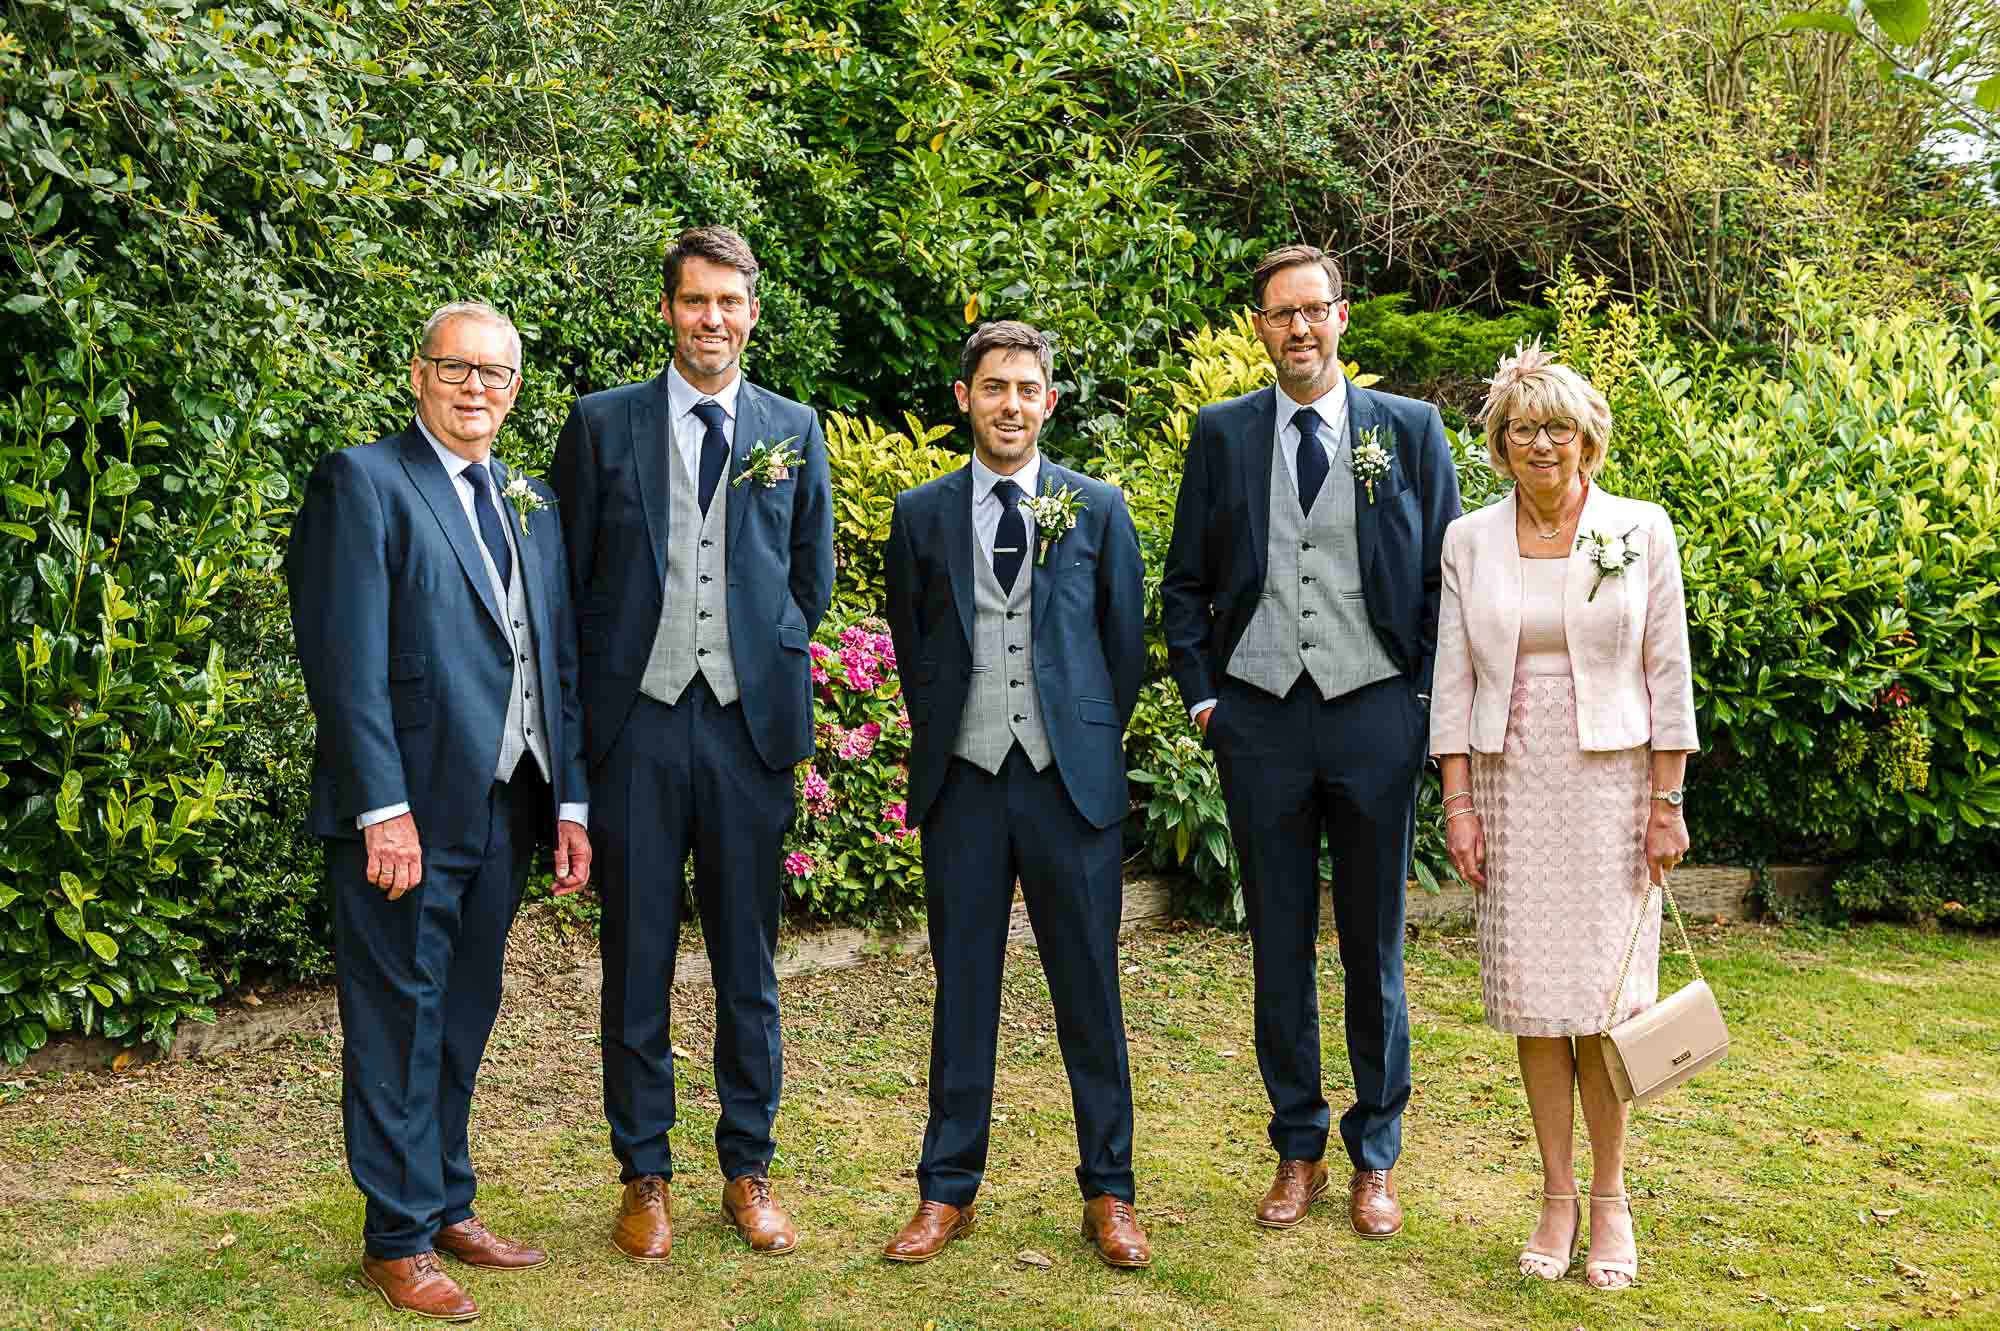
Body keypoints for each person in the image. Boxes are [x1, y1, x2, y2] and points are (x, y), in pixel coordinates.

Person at [288, 301, 592, 1321]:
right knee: (396, 1021)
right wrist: (381, 807)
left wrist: (569, 799)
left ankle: (447, 1198)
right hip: (405, 815)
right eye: (455, 368)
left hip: (509, 804)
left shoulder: (529, 499)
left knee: (463, 1012)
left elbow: (553, 657)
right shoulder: (363, 481)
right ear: (417, 374)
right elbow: (344, 662)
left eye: (493, 374)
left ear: (514, 389)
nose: (474, 388)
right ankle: (397, 1236)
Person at [1161, 244, 1460, 1238]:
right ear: (1260, 327)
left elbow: (1445, 581)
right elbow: (1184, 584)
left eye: (1312, 309)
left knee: (1374, 945)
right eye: (1280, 313)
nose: (1298, 327)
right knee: (1279, 946)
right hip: (1260, 719)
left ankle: (1376, 1153)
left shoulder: (1409, 430)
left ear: (1341, 316)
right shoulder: (1222, 433)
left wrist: (1421, 704)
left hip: (1375, 711)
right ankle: (1298, 1146)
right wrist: (1206, 702)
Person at [551, 226, 834, 1261]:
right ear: (668, 309)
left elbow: (810, 577)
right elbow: (568, 582)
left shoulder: (792, 428)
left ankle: (748, 1168)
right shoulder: (601, 424)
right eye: (694, 300)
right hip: (637, 728)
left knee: (746, 963)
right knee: (636, 962)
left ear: (752, 310)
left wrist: (759, 652)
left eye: (729, 301)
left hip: (748, 732)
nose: (712, 318)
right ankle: (645, 1173)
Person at [880, 321, 1150, 1268]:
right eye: (994, 387)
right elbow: (914, 644)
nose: (1011, 405)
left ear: (1050, 402)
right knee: (963, 990)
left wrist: (1076, 736)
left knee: (1090, 993)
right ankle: (946, 1189)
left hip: (1069, 787)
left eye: (1027, 389)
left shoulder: (1097, 509)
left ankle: (1110, 1191)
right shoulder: (920, 514)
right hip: (963, 785)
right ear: (966, 398)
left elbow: (1122, 649)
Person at [1428, 342, 1697, 1290]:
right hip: (1511, 782)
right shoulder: (1468, 539)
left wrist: (1666, 800)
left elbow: (1668, 671)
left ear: (1588, 439)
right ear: (1499, 444)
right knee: (1536, 1003)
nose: (1540, 444)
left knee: (1607, 1006)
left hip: (1615, 788)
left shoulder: (1640, 527)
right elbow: (1452, 680)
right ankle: (1555, 1193)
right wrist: (1459, 802)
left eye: (1557, 428)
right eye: (1522, 428)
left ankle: (1612, 1196)